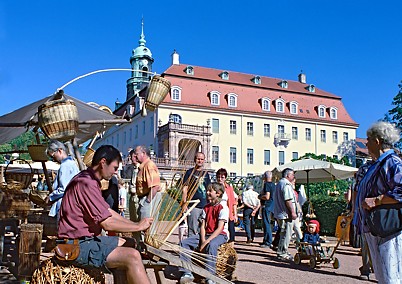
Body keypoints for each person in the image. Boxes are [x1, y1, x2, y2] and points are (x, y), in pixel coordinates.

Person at [58, 145, 153, 284]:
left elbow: (107, 212)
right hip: (76, 245)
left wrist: (134, 224)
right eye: (115, 168)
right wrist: (138, 227)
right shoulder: (86, 183)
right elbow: (107, 223)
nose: (115, 172)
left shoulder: (89, 180)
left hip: (86, 240)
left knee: (130, 243)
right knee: (132, 256)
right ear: (103, 162)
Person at [355, 121, 402, 283]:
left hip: (387, 228)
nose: (365, 143)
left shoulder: (392, 162)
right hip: (374, 228)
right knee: (383, 276)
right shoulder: (378, 164)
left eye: (368, 140)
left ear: (377, 141)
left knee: (391, 276)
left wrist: (377, 200)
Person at [178, 182, 229, 284]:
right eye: (207, 190)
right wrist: (202, 240)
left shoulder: (223, 208)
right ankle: (187, 272)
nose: (207, 192)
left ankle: (210, 276)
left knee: (212, 245)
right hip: (207, 234)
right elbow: (202, 226)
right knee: (184, 243)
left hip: (220, 235)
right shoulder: (206, 208)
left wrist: (206, 242)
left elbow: (219, 229)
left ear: (218, 193)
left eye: (210, 191)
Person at [45, 140, 79, 221]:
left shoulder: (65, 166)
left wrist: (50, 197)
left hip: (66, 207)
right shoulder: (72, 163)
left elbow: (64, 189)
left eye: (53, 156)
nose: (53, 159)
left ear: (59, 151)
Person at [351, 161, 374, 279]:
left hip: (385, 209)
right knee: (366, 240)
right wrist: (355, 209)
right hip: (365, 210)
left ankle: (371, 267)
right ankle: (366, 268)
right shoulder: (365, 168)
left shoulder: (392, 164)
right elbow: (356, 190)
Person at [181, 152, 212, 237]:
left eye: (202, 159)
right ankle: (190, 247)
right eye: (198, 159)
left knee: (203, 228)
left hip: (204, 205)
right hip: (193, 205)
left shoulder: (206, 174)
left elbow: (209, 189)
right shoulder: (189, 172)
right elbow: (185, 188)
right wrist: (184, 203)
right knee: (192, 229)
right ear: (195, 159)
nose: (200, 161)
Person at [273, 168, 297, 261]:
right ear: (288, 175)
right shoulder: (286, 184)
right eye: (292, 175)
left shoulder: (279, 183)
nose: (293, 176)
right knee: (286, 233)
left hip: (280, 213)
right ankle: (282, 252)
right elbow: (288, 200)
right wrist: (293, 212)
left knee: (283, 232)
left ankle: (281, 251)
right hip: (285, 214)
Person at [134, 145, 161, 220]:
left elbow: (155, 186)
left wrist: (147, 202)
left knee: (147, 224)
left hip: (150, 197)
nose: (135, 157)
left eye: (137, 154)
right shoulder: (143, 167)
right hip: (145, 197)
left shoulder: (149, 166)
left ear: (143, 153)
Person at [216, 168, 238, 242]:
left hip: (227, 211)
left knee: (230, 230)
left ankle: (230, 246)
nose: (220, 179)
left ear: (225, 178)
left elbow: (233, 202)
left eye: (222, 177)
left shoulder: (229, 188)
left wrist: (235, 214)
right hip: (216, 211)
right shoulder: (214, 187)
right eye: (218, 177)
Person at [259, 171, 275, 248]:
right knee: (267, 223)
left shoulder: (267, 185)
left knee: (266, 224)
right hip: (272, 206)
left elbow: (267, 196)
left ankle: (268, 241)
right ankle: (266, 240)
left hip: (267, 205)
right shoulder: (274, 185)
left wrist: (260, 196)